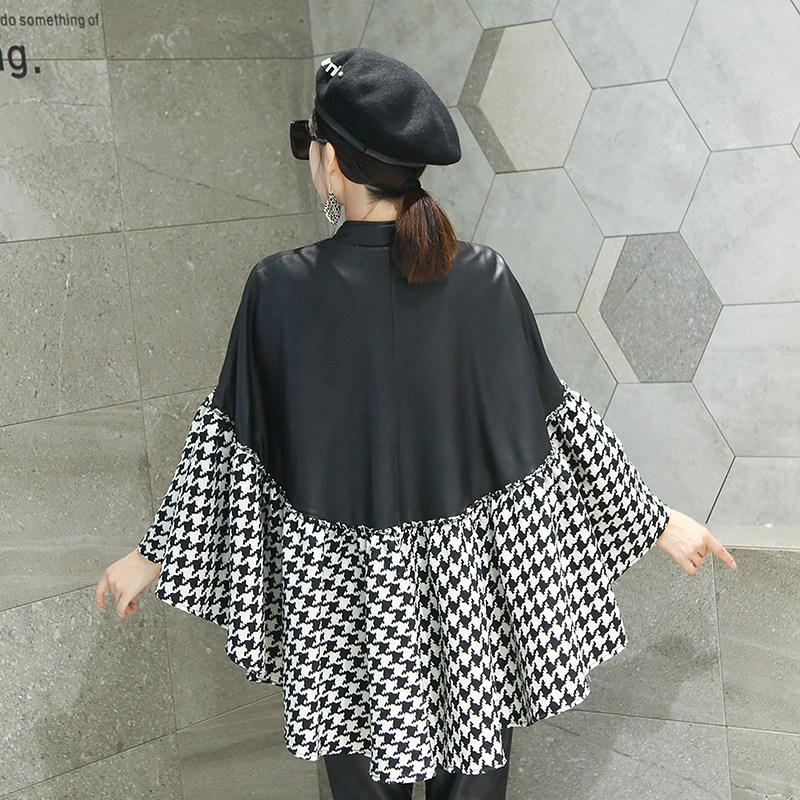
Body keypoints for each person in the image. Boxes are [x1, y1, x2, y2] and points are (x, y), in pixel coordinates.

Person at [95, 47, 737, 800]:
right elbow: (552, 422)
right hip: (468, 600)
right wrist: (657, 520)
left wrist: (151, 556)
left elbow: (229, 446)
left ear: (332, 162)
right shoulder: (483, 278)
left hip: (341, 604)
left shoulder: (279, 289)